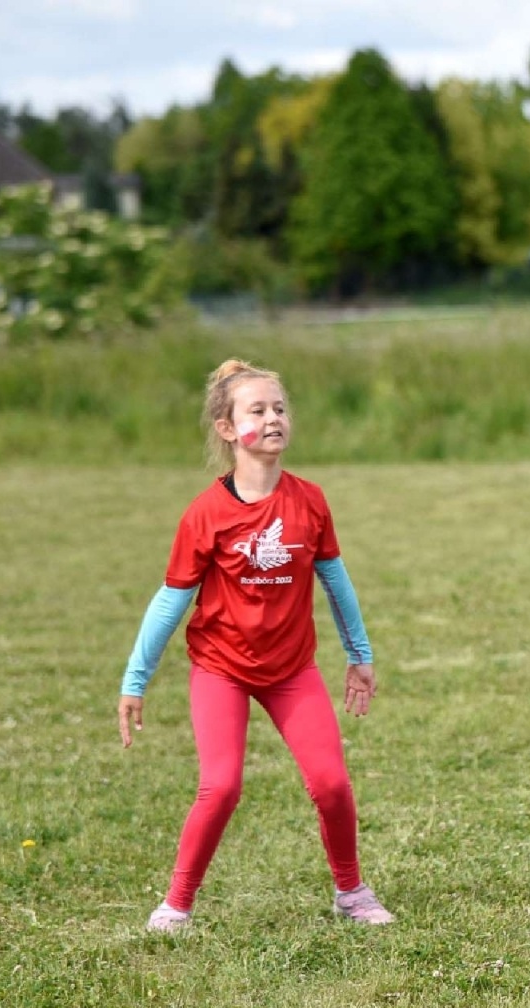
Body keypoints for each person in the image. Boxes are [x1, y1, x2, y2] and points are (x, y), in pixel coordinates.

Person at [117, 358, 393, 931]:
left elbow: (335, 581)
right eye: (257, 410)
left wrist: (359, 656)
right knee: (221, 787)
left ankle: (351, 892)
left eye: (280, 409)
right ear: (226, 428)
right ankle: (176, 905)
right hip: (221, 667)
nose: (273, 419)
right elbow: (170, 601)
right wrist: (134, 681)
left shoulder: (310, 501)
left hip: (291, 668)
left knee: (333, 785)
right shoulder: (205, 514)